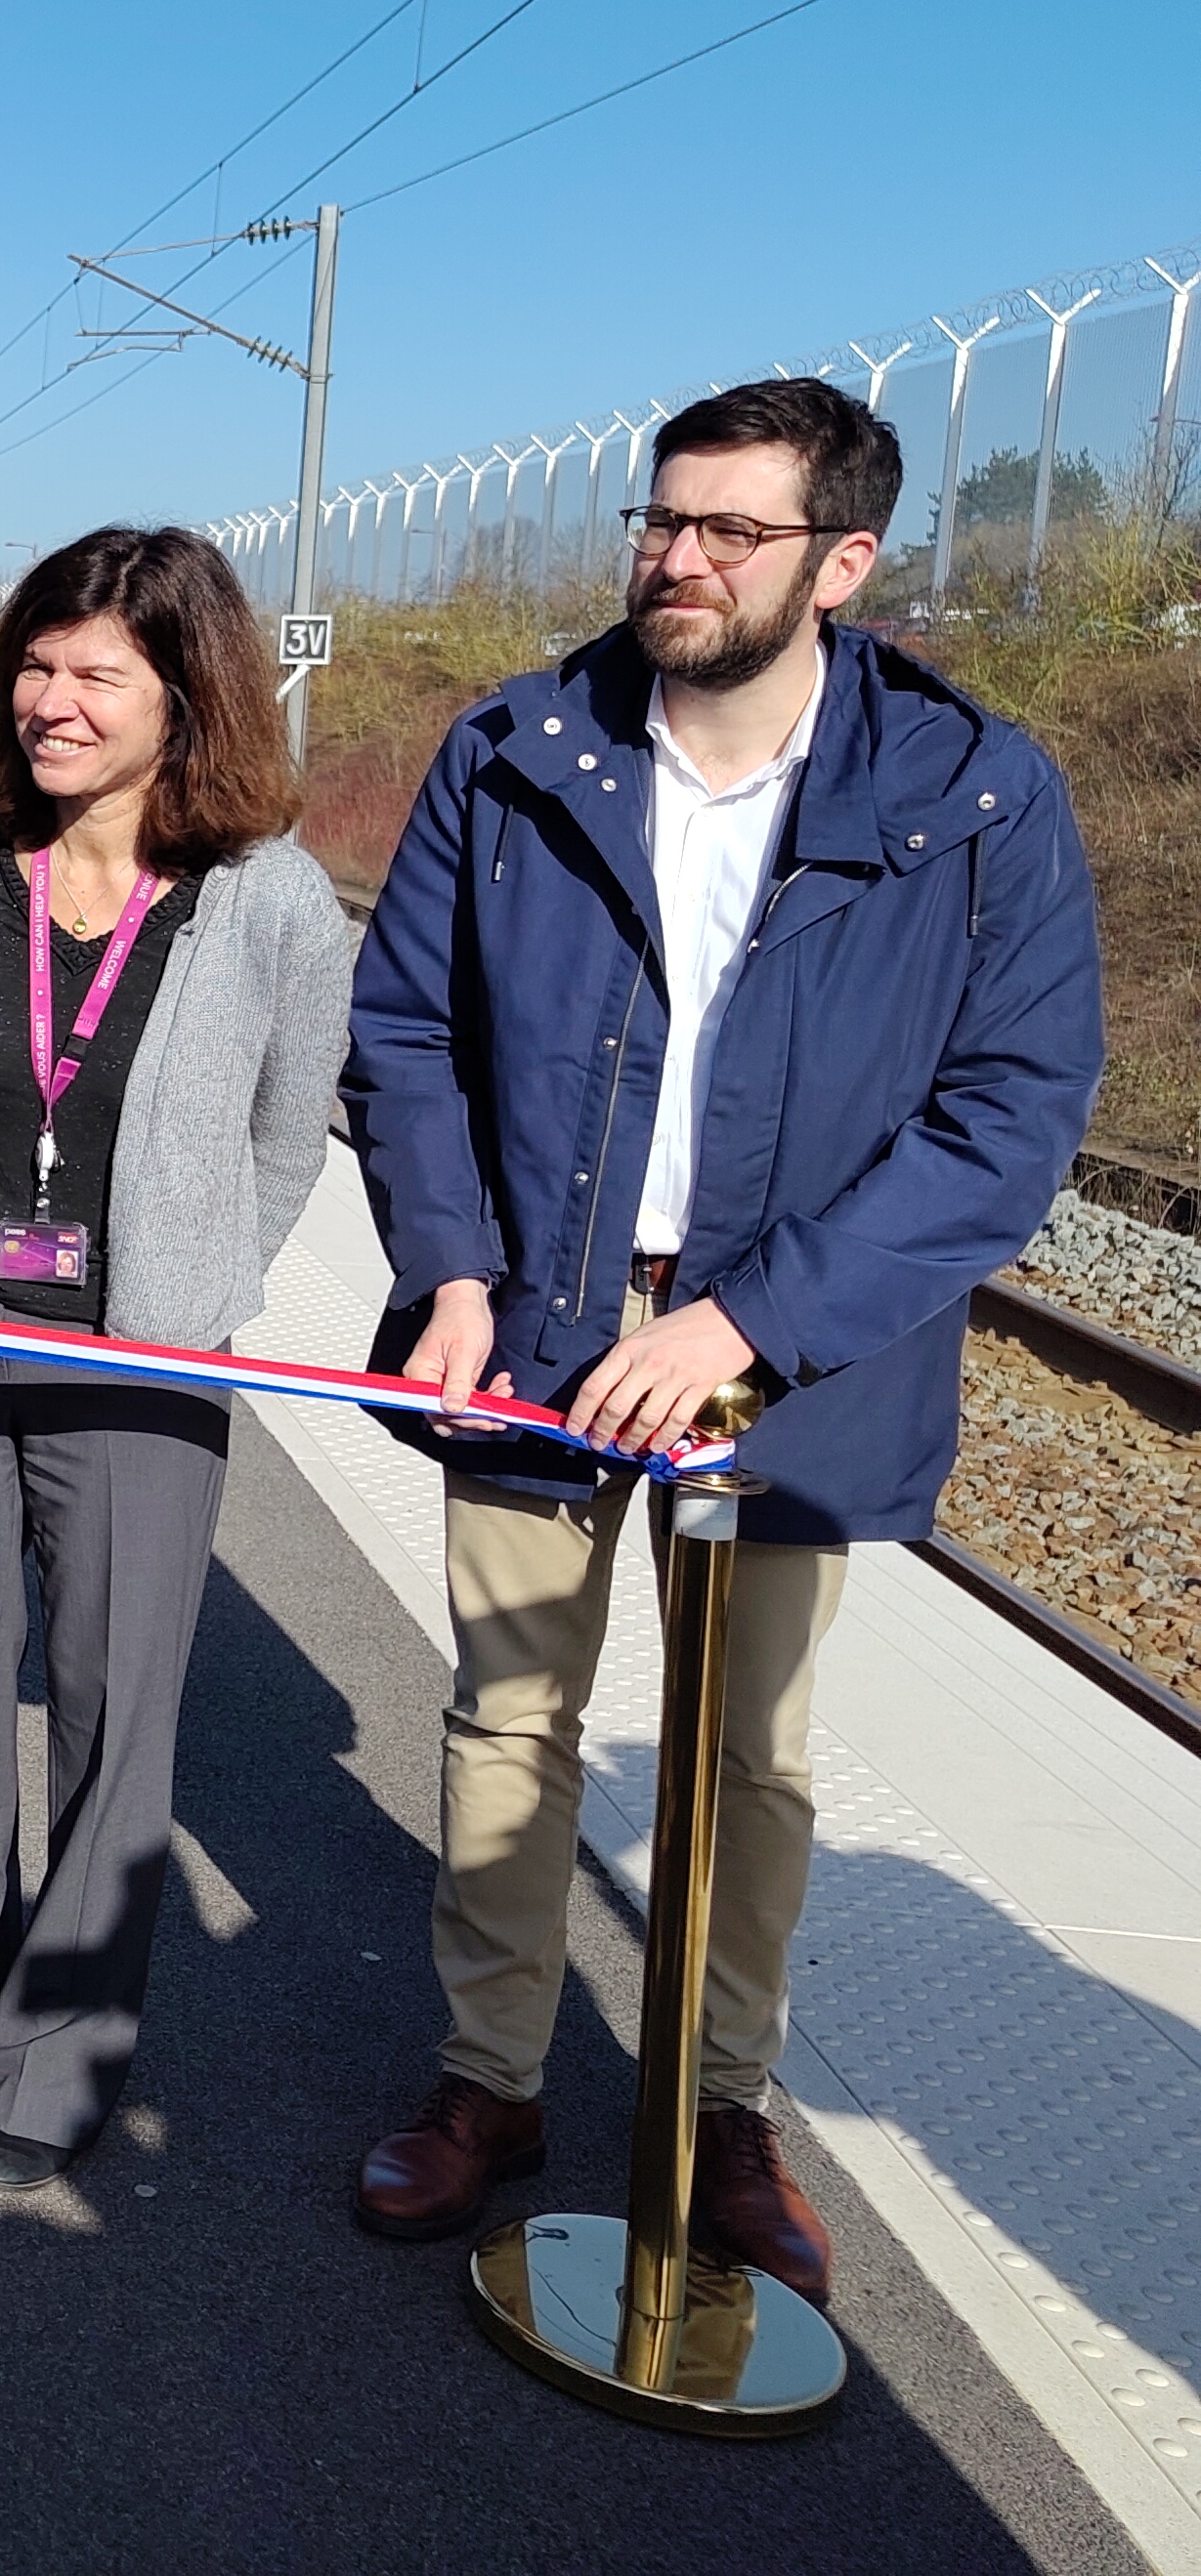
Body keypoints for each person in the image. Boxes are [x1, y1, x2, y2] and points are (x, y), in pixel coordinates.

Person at [344, 376, 1101, 2303]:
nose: (672, 560)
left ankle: (715, 2107)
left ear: (841, 561)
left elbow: (1005, 1115)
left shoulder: (972, 790)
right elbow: (406, 1032)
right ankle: (486, 2085)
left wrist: (743, 1318)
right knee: (504, 1713)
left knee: (740, 1754)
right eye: (658, 520)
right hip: (533, 1314)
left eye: (726, 532)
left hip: (784, 1348)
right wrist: (445, 1268)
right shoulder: (513, 746)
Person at [0, 527, 350, 2188]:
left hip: (139, 1368)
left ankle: (57, 2056)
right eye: (36, 667)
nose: (49, 703)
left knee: (112, 1708)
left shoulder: (268, 895)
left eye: (94, 675)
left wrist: (201, 1278)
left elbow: (292, 1132)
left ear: (186, 693)